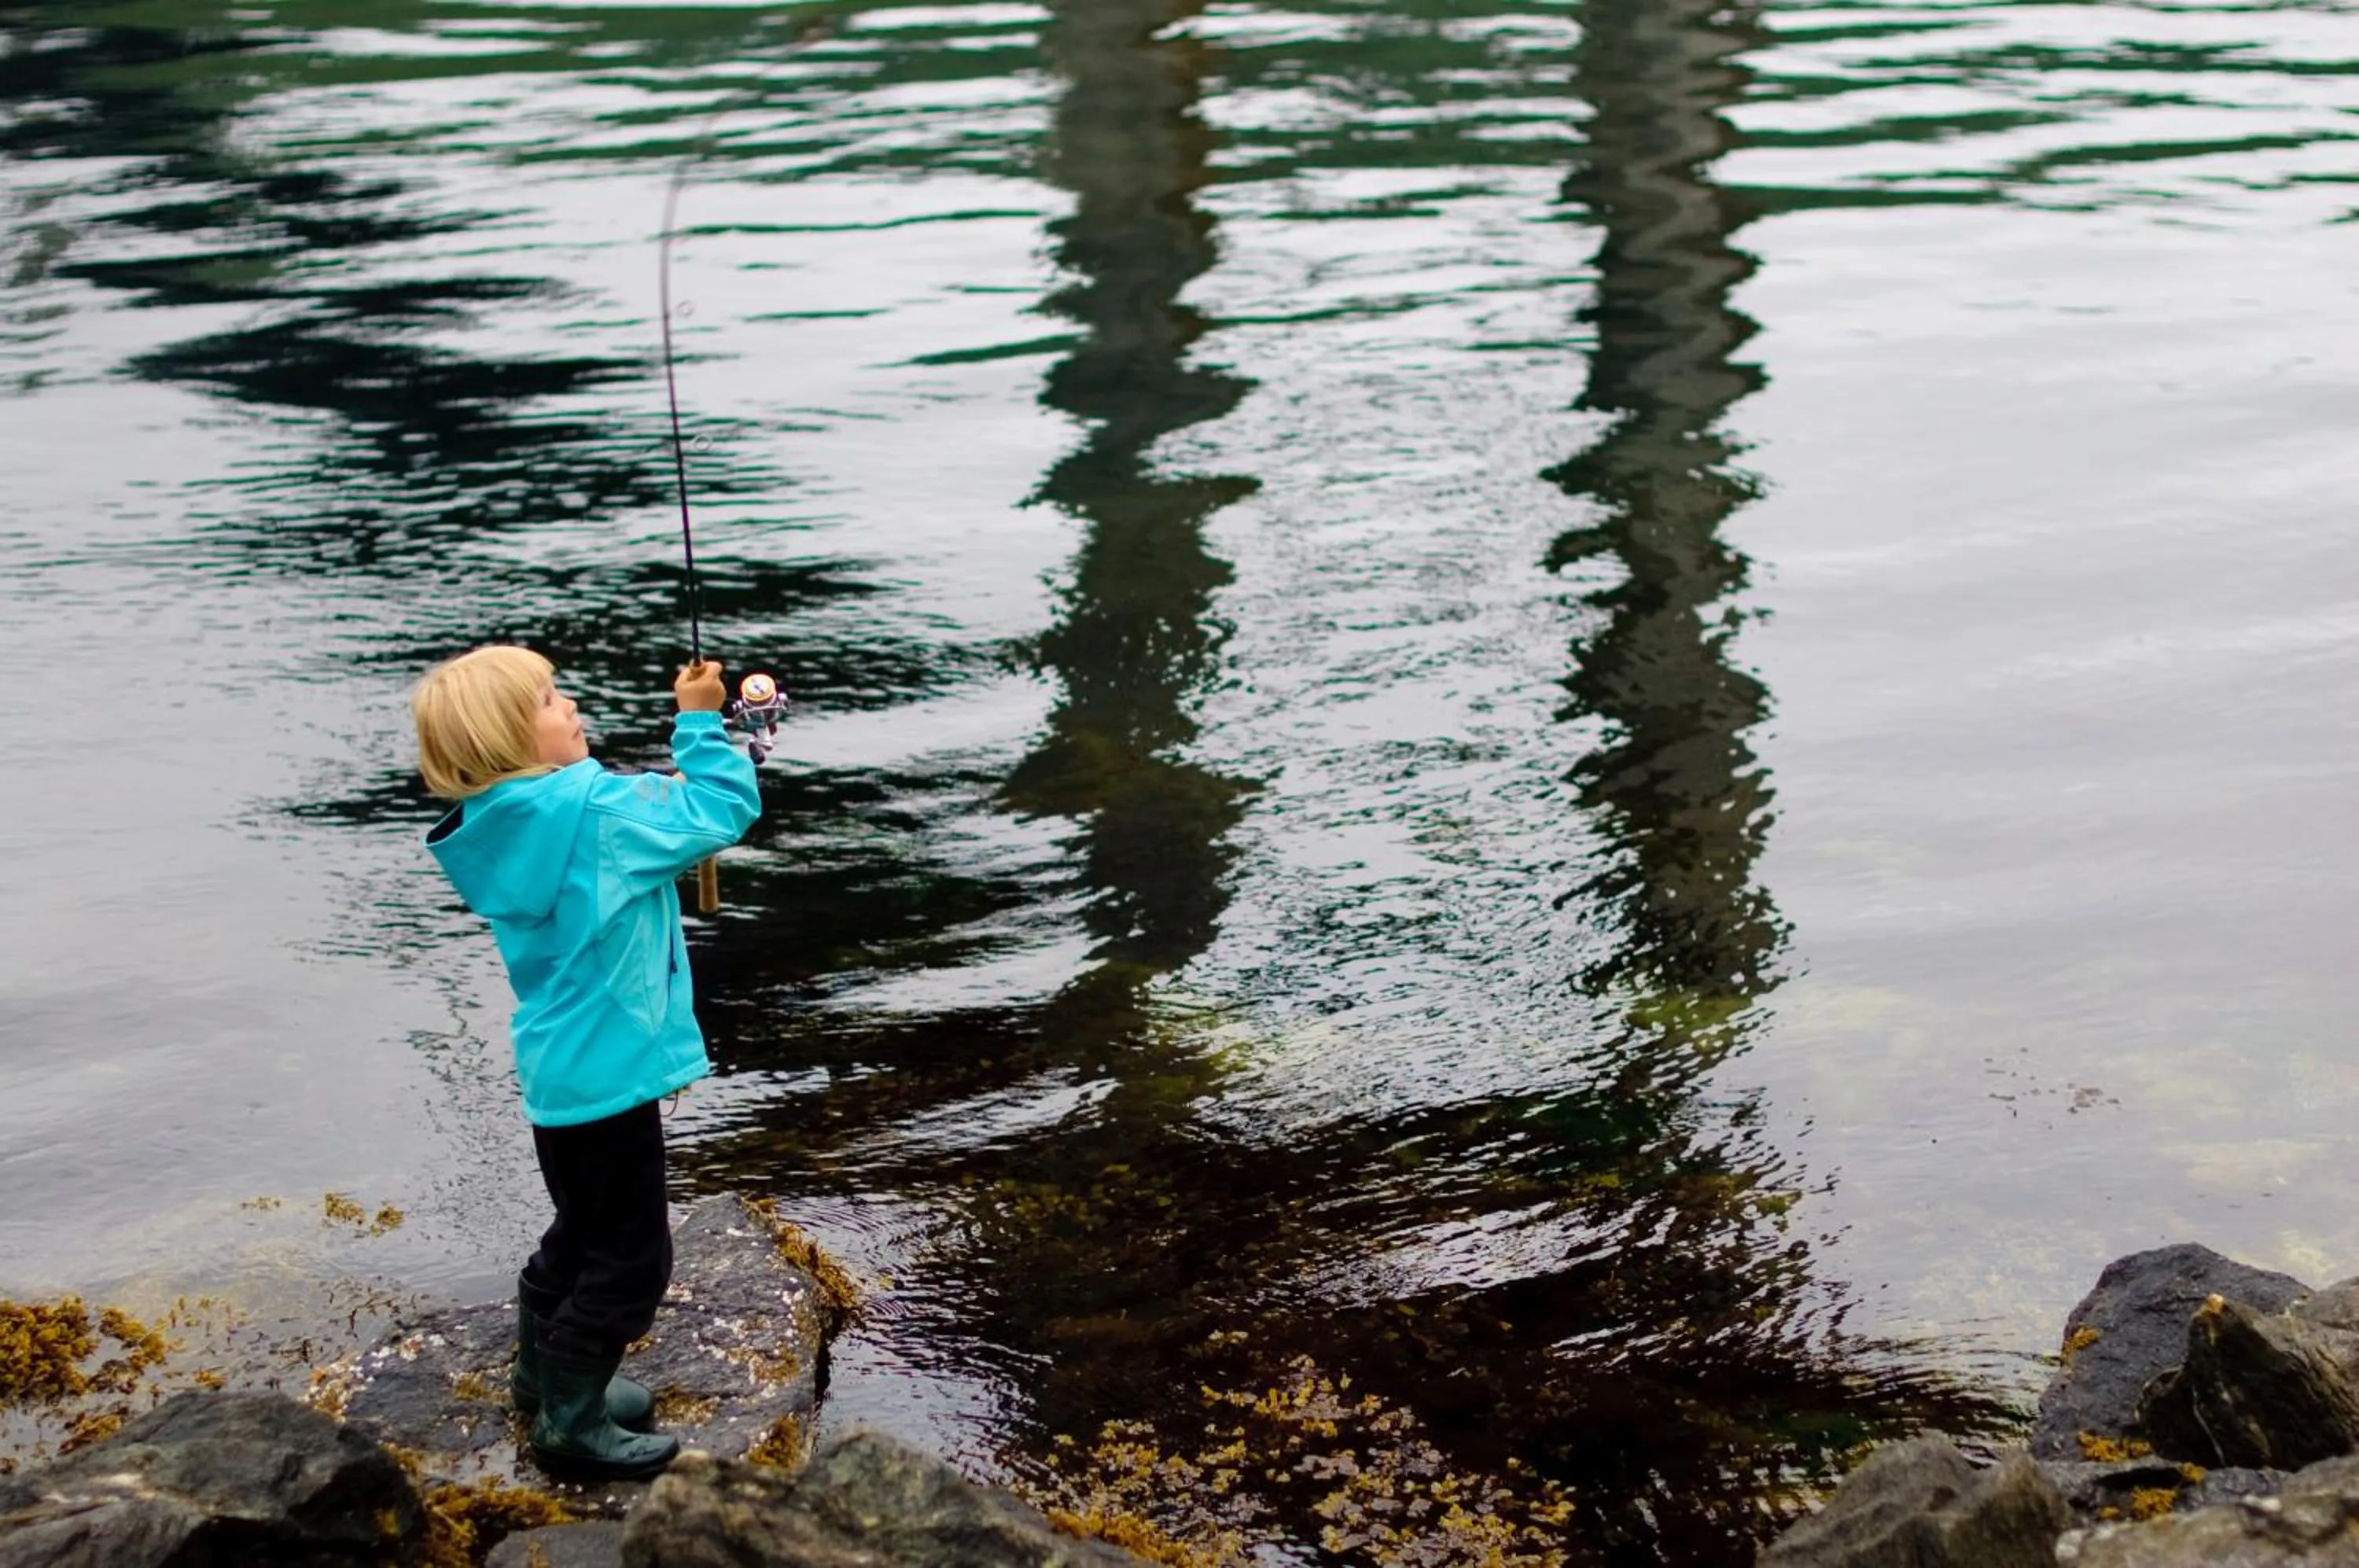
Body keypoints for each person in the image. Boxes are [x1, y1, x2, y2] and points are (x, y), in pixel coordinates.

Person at [410, 646, 762, 1479]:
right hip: (610, 1076)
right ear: (508, 739)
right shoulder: (600, 814)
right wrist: (702, 718)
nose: (569, 704)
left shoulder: (502, 823)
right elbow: (721, 808)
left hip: (560, 1076)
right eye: (546, 699)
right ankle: (571, 1419)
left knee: (580, 1229)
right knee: (632, 1257)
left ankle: (542, 1378)